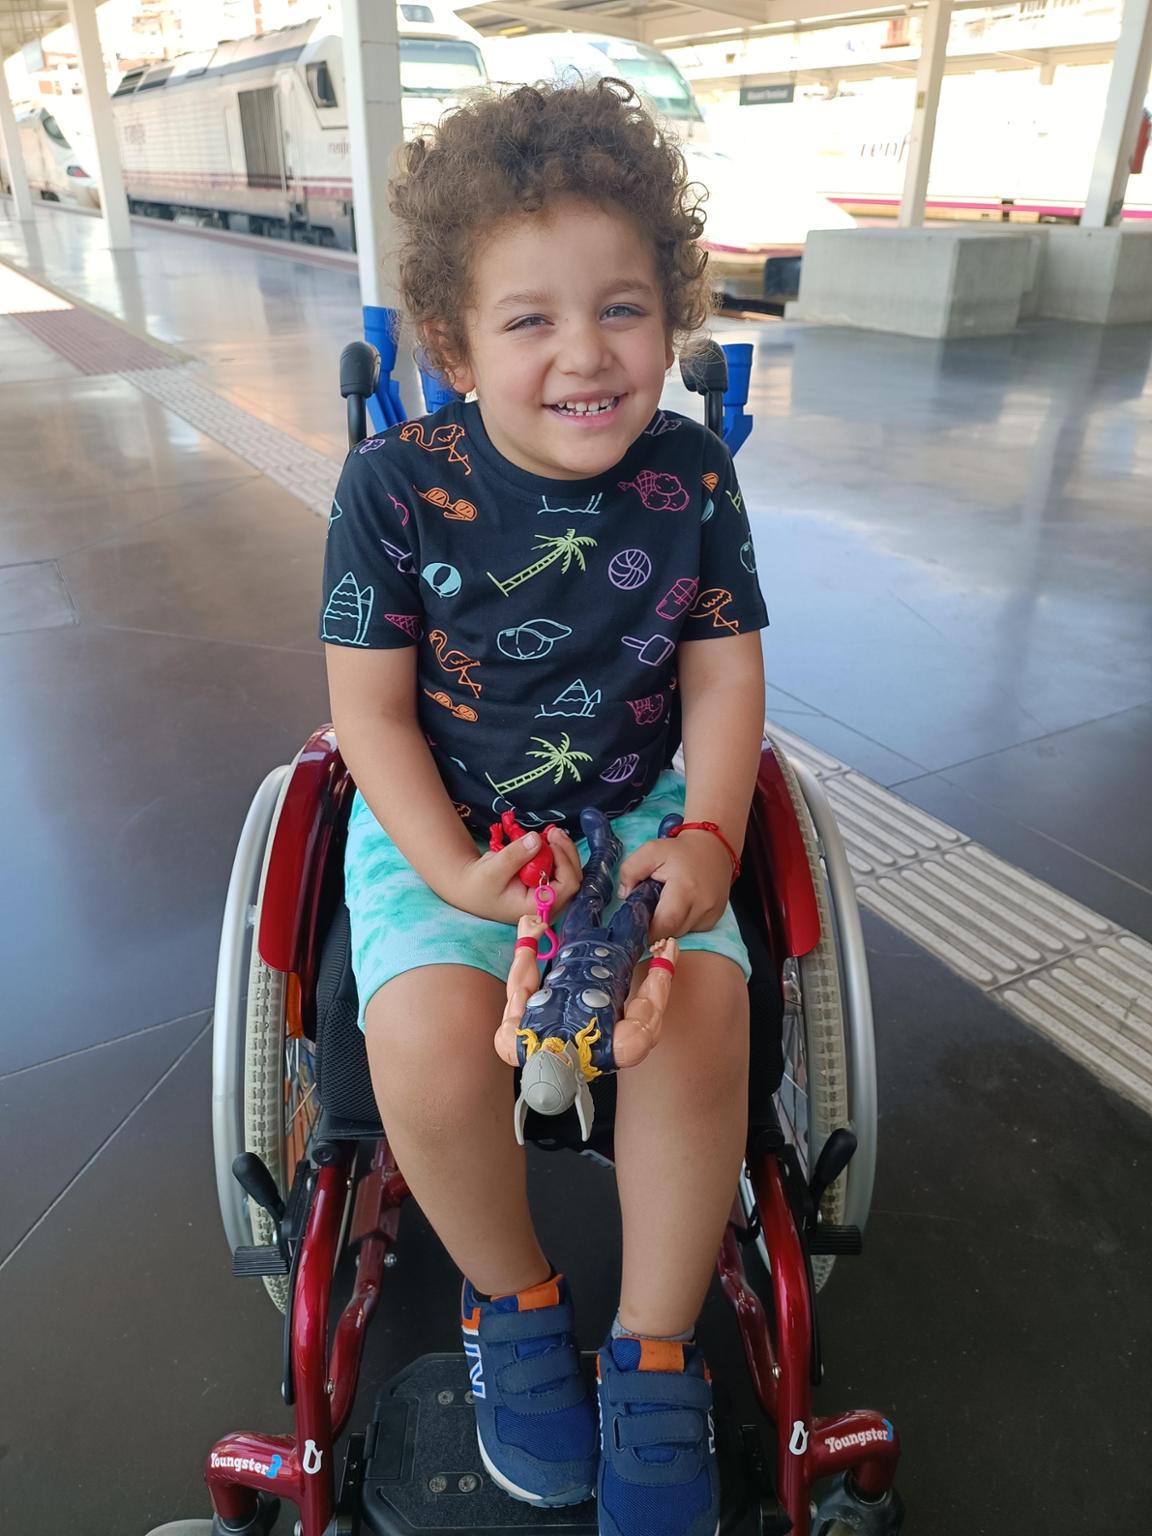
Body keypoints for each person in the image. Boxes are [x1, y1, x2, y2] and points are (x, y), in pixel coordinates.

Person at [320, 77, 768, 1536]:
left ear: (672, 311)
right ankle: (510, 1302)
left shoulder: (692, 475)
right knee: (422, 1045)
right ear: (452, 346)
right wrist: (456, 876)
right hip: (455, 823)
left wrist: (709, 837)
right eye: (530, 321)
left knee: (703, 1021)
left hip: (642, 809)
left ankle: (653, 1344)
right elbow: (370, 716)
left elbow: (722, 678)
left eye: (624, 308)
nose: (587, 353)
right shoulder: (392, 488)